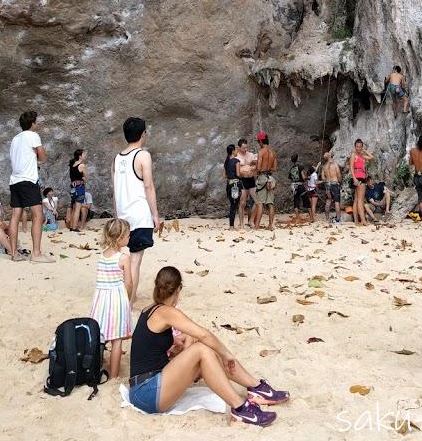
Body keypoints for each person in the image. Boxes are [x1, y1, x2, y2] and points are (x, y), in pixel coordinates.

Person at [128, 265, 288, 424]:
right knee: (202, 348)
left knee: (202, 346)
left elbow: (148, 344)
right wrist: (226, 354)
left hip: (151, 385)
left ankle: (256, 388)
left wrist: (175, 342)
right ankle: (241, 409)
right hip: (145, 392)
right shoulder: (167, 312)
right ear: (178, 290)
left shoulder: (149, 310)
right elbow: (203, 333)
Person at [112, 116, 159, 302]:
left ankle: (129, 295)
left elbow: (115, 190)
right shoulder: (143, 155)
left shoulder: (116, 158)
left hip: (123, 217)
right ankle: (128, 302)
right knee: (135, 261)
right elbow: (148, 186)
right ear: (143, 134)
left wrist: (117, 216)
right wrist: (155, 214)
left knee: (125, 259)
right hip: (140, 216)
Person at [7, 110, 54, 264]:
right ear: (32, 123)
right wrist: (36, 152)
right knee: (38, 215)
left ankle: (14, 253)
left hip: (15, 180)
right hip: (29, 179)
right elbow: (43, 158)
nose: (37, 124)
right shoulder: (33, 135)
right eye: (36, 122)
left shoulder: (15, 139)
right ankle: (36, 253)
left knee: (15, 216)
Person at [90, 218, 133, 379]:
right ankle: (114, 375)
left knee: (101, 334)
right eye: (128, 235)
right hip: (117, 298)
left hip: (101, 299)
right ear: (120, 237)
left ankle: (96, 363)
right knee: (117, 339)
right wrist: (127, 299)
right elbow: (129, 282)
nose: (129, 238)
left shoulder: (102, 256)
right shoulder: (123, 258)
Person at [253, 132, 277, 230]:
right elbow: (274, 168)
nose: (258, 143)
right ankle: (271, 225)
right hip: (270, 178)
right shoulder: (273, 153)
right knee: (270, 203)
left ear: (261, 141)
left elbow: (258, 167)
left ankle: (257, 226)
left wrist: (254, 168)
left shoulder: (261, 152)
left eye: (258, 142)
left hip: (262, 178)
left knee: (259, 203)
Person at [349, 139, 373, 226]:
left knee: (356, 200)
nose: (358, 148)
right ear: (355, 147)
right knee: (360, 200)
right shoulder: (353, 155)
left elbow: (371, 157)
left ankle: (356, 221)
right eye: (357, 147)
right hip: (358, 177)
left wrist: (364, 151)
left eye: (360, 147)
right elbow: (351, 167)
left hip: (361, 177)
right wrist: (354, 179)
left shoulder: (362, 156)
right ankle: (363, 220)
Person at [235, 138, 257, 230]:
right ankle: (241, 223)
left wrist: (252, 167)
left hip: (251, 179)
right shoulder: (236, 157)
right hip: (242, 180)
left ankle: (251, 220)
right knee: (242, 203)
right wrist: (245, 168)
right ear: (239, 147)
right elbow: (237, 170)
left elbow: (256, 165)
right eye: (244, 148)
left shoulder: (251, 155)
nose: (245, 150)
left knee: (257, 201)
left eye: (246, 147)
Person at [69, 148, 89, 231]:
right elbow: (86, 177)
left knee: (74, 208)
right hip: (79, 188)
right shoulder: (82, 165)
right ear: (80, 156)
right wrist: (84, 179)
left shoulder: (72, 164)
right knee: (77, 209)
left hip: (72, 188)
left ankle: (71, 226)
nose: (85, 155)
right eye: (84, 154)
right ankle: (74, 228)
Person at [321, 151, 342, 223]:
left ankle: (327, 218)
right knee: (336, 201)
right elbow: (339, 175)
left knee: (328, 200)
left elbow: (323, 178)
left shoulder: (324, 166)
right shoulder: (335, 164)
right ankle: (338, 218)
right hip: (335, 183)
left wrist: (327, 179)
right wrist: (339, 181)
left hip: (327, 184)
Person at [224, 144, 241, 228]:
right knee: (234, 205)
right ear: (233, 151)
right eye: (236, 150)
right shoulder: (236, 161)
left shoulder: (226, 161)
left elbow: (224, 175)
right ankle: (231, 226)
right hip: (235, 185)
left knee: (232, 204)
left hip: (228, 185)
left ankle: (231, 225)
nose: (237, 151)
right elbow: (238, 174)